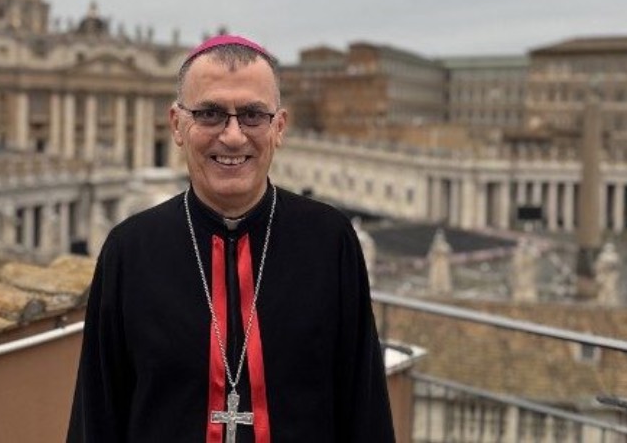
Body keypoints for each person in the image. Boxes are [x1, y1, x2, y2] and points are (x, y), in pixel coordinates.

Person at [67, 35, 395, 442]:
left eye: (253, 115)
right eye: (210, 113)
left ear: (279, 127)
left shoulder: (331, 242)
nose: (234, 136)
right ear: (177, 125)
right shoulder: (129, 250)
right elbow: (97, 416)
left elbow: (364, 412)